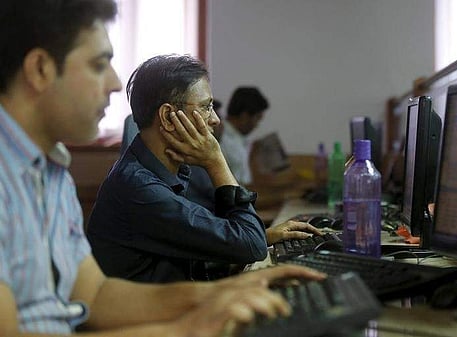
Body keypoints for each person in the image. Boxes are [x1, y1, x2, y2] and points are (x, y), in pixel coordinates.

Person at [0, 1, 327, 336]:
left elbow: (95, 295)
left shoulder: (53, 174)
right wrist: (187, 328)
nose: (115, 83)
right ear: (40, 69)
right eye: (100, 65)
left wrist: (223, 293)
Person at [87, 54, 323, 283]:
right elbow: (251, 244)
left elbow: (210, 235)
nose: (216, 120)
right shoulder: (139, 187)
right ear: (169, 117)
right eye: (206, 107)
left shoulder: (177, 169)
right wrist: (216, 160)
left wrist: (266, 236)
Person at [220, 86, 269, 185]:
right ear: (244, 116)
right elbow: (239, 188)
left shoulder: (240, 138)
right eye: (257, 119)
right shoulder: (224, 139)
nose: (256, 126)